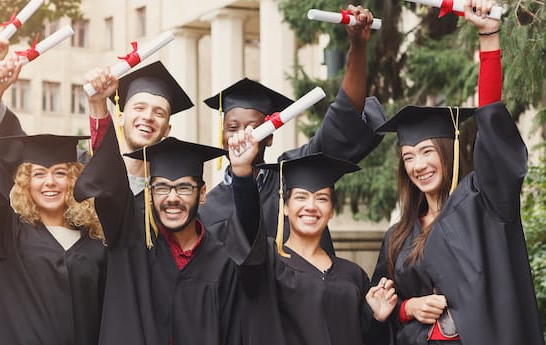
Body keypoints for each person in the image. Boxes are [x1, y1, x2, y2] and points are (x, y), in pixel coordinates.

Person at [370, 1, 545, 344]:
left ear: (447, 150)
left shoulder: (484, 205)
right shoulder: (397, 236)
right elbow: (379, 310)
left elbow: (492, 124)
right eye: (408, 157)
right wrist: (409, 308)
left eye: (426, 152)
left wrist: (489, 39)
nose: (418, 165)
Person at [197, 4, 386, 255]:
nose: (242, 134)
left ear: (270, 138)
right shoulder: (207, 209)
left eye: (254, 127)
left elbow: (342, 124)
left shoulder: (293, 176)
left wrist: (357, 47)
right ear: (222, 136)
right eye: (232, 127)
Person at [0, 53, 106, 345]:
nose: (50, 182)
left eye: (60, 173)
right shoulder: (7, 234)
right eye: (39, 174)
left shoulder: (93, 239)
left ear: (74, 180)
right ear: (26, 183)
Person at [228, 126, 397, 345]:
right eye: (301, 197)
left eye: (322, 199)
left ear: (332, 210)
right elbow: (248, 228)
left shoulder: (353, 276)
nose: (311, 206)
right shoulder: (267, 262)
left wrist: (377, 318)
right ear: (285, 207)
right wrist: (242, 174)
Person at [75, 130, 242, 345]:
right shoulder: (132, 240)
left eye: (184, 188)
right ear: (150, 193)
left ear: (201, 194)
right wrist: (98, 106)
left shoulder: (221, 261)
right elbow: (111, 185)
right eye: (161, 187)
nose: (172, 198)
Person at [84, 61, 193, 193]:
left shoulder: (168, 195)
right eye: (139, 108)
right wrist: (97, 103)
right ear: (120, 118)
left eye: (159, 113)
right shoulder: (85, 176)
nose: (148, 116)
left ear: (167, 130)